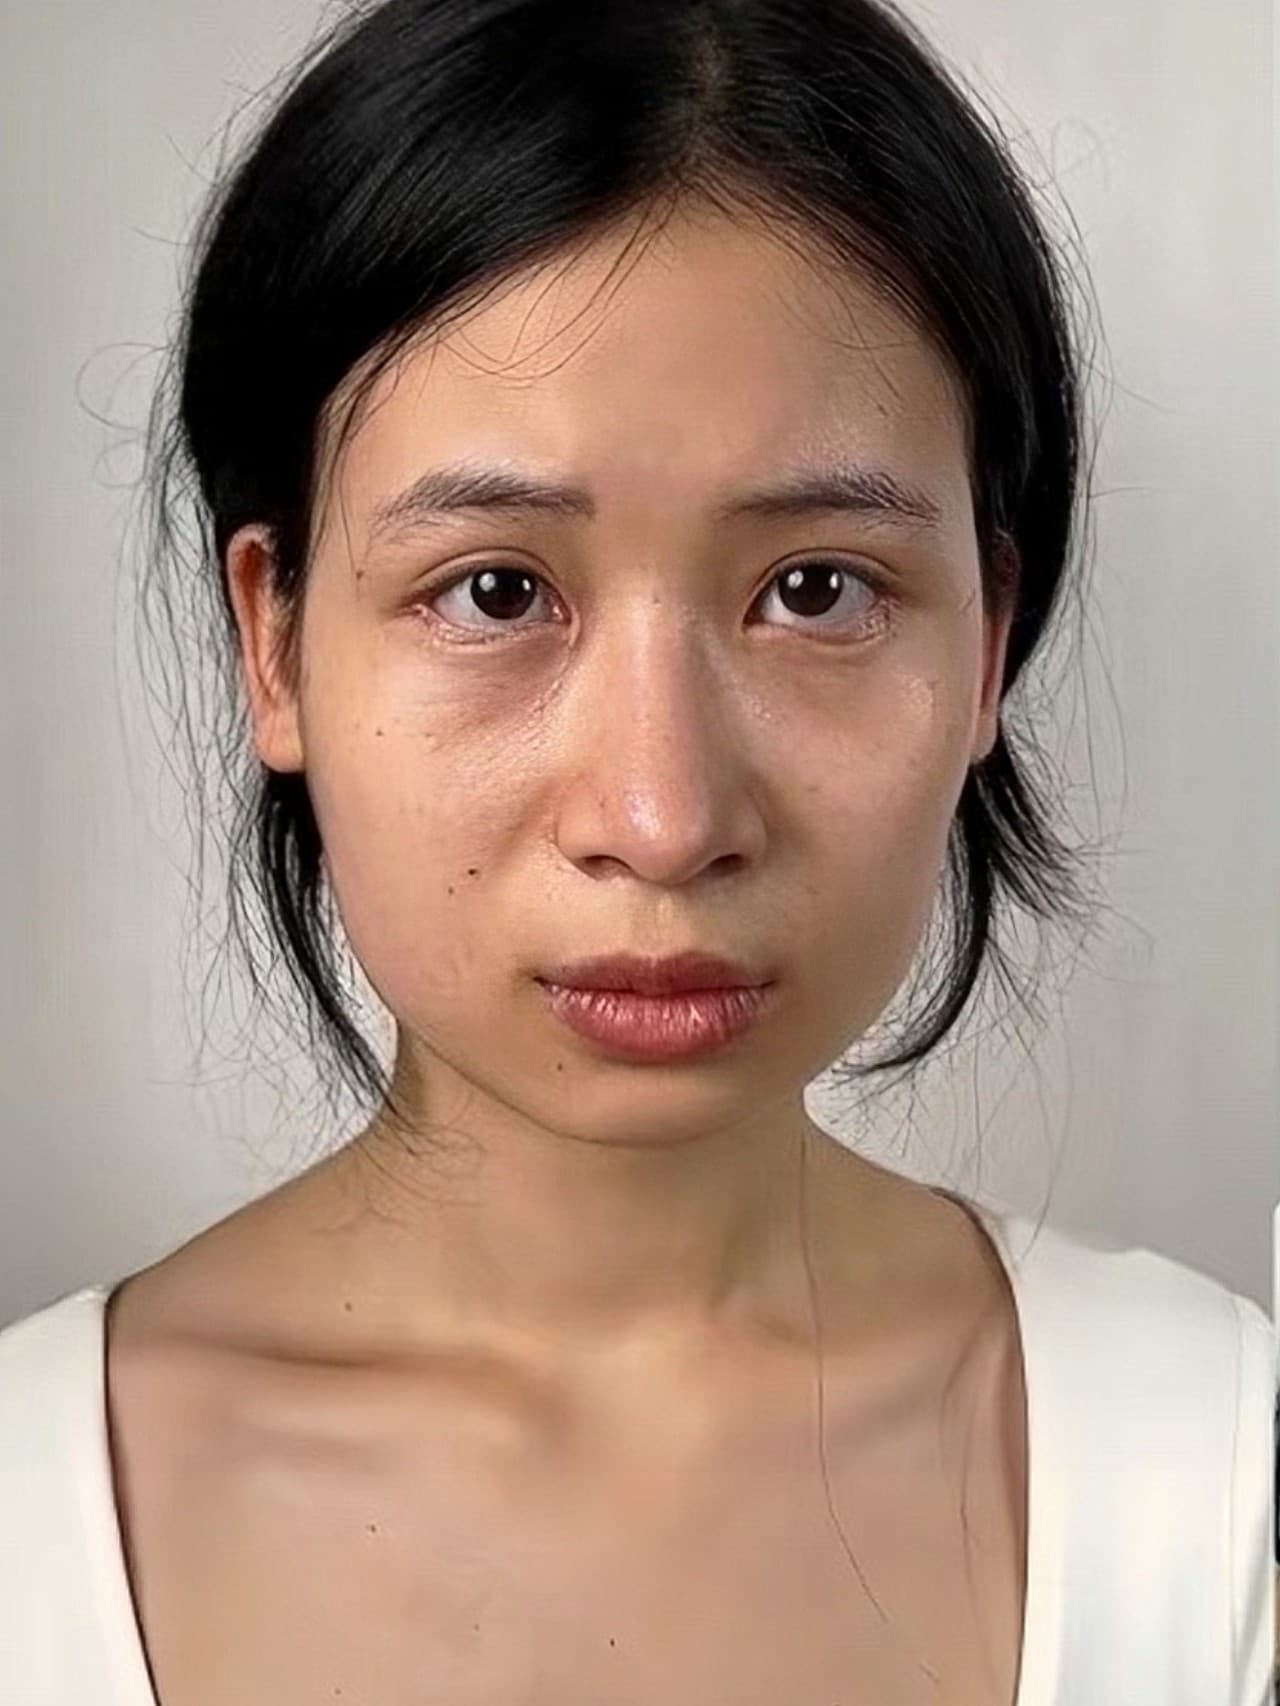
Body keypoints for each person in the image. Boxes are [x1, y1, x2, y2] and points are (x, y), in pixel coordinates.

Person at [1, 1, 1273, 1701]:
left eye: (815, 589)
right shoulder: (29, 1516)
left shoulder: (1221, 1475)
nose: (664, 820)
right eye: (495, 591)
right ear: (276, 642)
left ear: (986, 646)